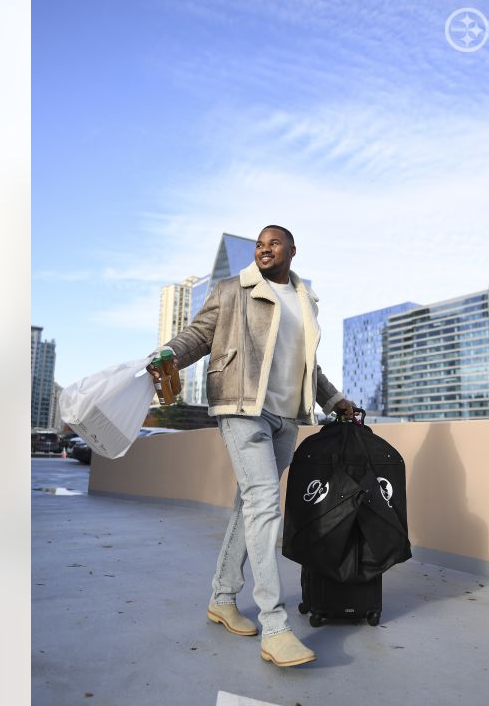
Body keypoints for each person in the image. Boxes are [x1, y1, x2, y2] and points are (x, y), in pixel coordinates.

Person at [148, 225, 356, 668]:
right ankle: (275, 627)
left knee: (250, 505)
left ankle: (222, 599)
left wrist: (334, 400)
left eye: (273, 243)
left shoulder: (304, 302)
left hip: (286, 417)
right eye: (259, 244)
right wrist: (168, 354)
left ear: (292, 251)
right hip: (241, 407)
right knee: (264, 504)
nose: (264, 249)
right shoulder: (232, 289)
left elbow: (309, 368)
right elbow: (198, 336)